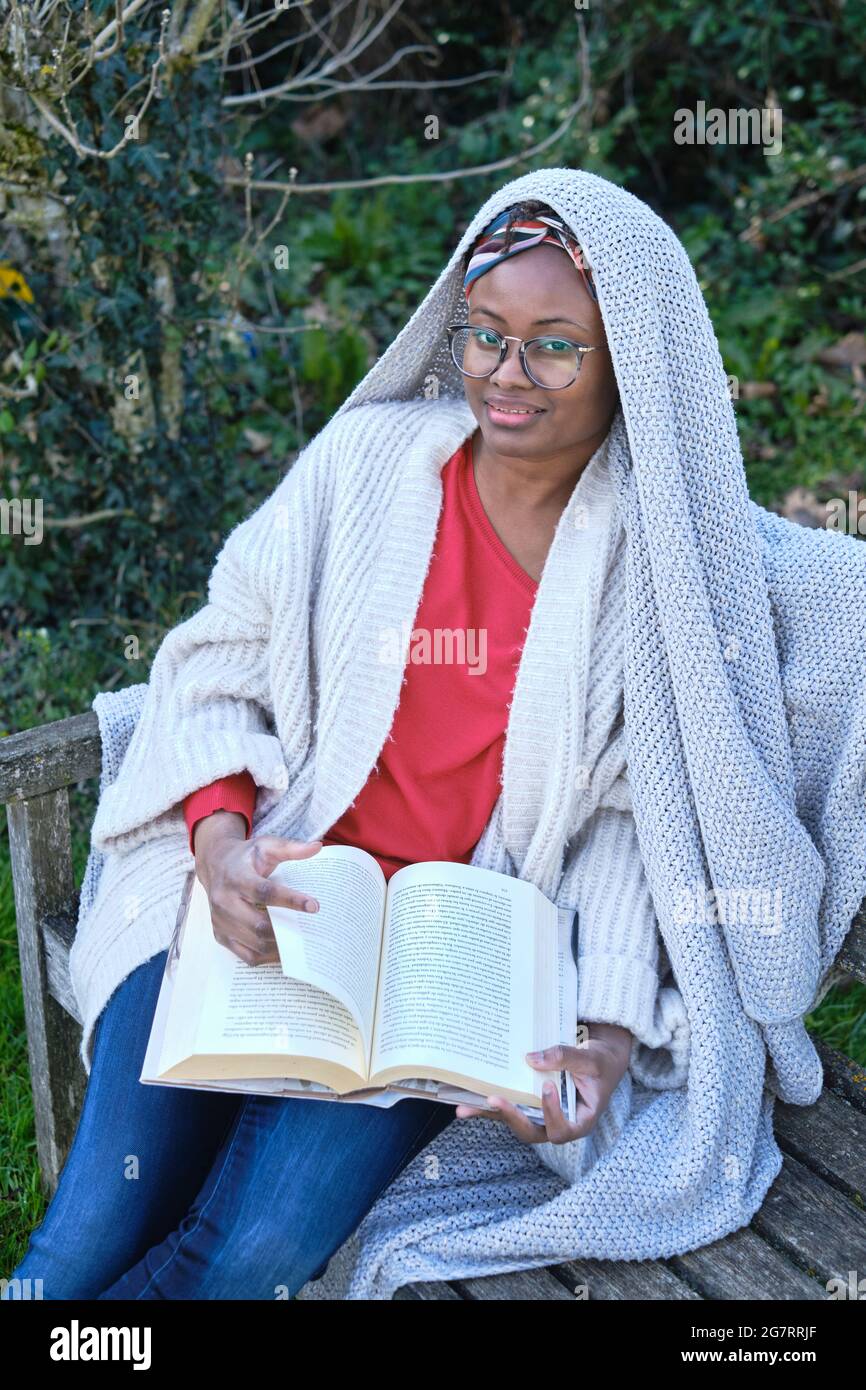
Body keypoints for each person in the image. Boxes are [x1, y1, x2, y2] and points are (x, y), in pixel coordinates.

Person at [7, 167, 864, 1300]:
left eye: (555, 345)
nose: (507, 376)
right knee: (89, 1230)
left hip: (434, 973)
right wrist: (218, 845)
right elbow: (218, 654)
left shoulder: (640, 569)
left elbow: (623, 822)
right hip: (257, 888)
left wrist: (602, 1039)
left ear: (629, 370)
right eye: (485, 333)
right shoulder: (366, 467)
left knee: (252, 1251)